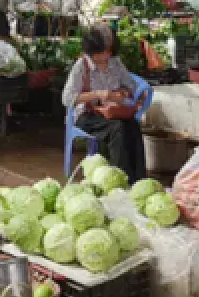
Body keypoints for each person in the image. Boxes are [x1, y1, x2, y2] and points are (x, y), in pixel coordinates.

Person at [62, 25, 147, 181]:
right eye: (104, 52)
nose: (107, 55)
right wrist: (98, 94)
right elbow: (67, 98)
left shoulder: (115, 63)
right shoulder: (82, 66)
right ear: (93, 52)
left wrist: (121, 94)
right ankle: (121, 179)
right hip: (88, 115)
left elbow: (131, 85)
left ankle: (138, 179)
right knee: (118, 129)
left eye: (109, 50)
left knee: (133, 126)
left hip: (112, 111)